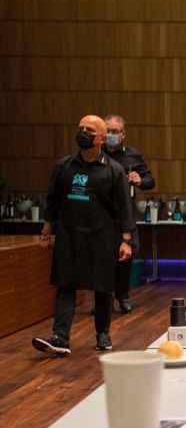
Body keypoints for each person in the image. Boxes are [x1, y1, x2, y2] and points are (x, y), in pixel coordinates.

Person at [32, 115, 134, 355]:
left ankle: (102, 333)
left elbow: (123, 208)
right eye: (80, 128)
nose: (83, 133)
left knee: (103, 286)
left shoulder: (114, 170)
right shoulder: (64, 166)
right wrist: (47, 230)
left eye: (89, 130)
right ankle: (60, 337)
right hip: (69, 235)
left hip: (102, 236)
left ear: (102, 139)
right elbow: (53, 199)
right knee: (64, 284)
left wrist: (126, 240)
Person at [103, 113, 155, 313]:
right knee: (102, 256)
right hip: (101, 212)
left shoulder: (133, 155)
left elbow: (150, 181)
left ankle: (123, 294)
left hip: (125, 212)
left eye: (114, 131)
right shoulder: (96, 154)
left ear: (123, 134)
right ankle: (104, 297)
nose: (110, 135)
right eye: (107, 131)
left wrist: (140, 180)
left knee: (126, 254)